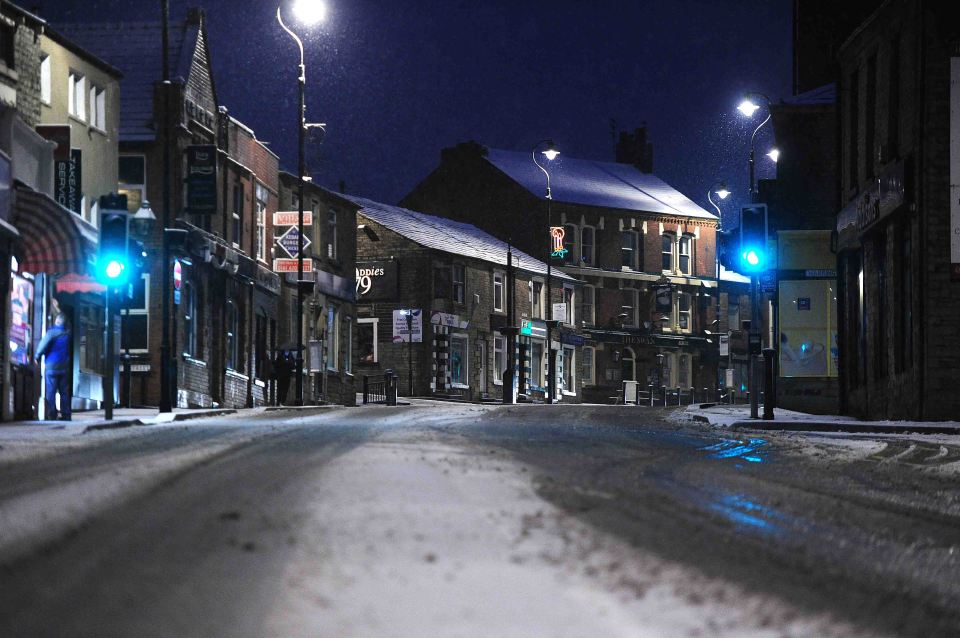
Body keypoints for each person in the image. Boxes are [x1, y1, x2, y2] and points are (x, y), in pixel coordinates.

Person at [35, 314, 72, 421]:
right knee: (64, 392)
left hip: (51, 366)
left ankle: (52, 414)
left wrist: (37, 356)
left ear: (56, 321)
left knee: (51, 392)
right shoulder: (67, 334)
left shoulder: (51, 332)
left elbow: (43, 344)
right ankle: (66, 415)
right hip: (64, 366)